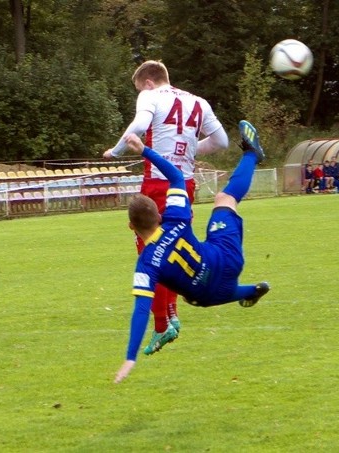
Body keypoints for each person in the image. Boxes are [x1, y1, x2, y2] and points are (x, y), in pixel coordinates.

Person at [114, 120, 270, 383]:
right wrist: (144, 150)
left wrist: (130, 357)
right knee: (225, 199)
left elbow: (141, 309)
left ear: (131, 226)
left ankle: (245, 292)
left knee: (192, 295)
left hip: (207, 296)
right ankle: (252, 154)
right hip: (227, 258)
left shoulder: (146, 264)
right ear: (159, 215)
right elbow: (176, 176)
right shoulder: (174, 217)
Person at [103, 60, 228, 354]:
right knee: (172, 248)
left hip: (158, 183)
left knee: (152, 254)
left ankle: (162, 325)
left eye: (138, 87)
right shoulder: (199, 102)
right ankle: (171, 314)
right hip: (185, 184)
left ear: (148, 82)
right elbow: (222, 141)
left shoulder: (150, 96)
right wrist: (192, 148)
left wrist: (116, 150)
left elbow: (139, 126)